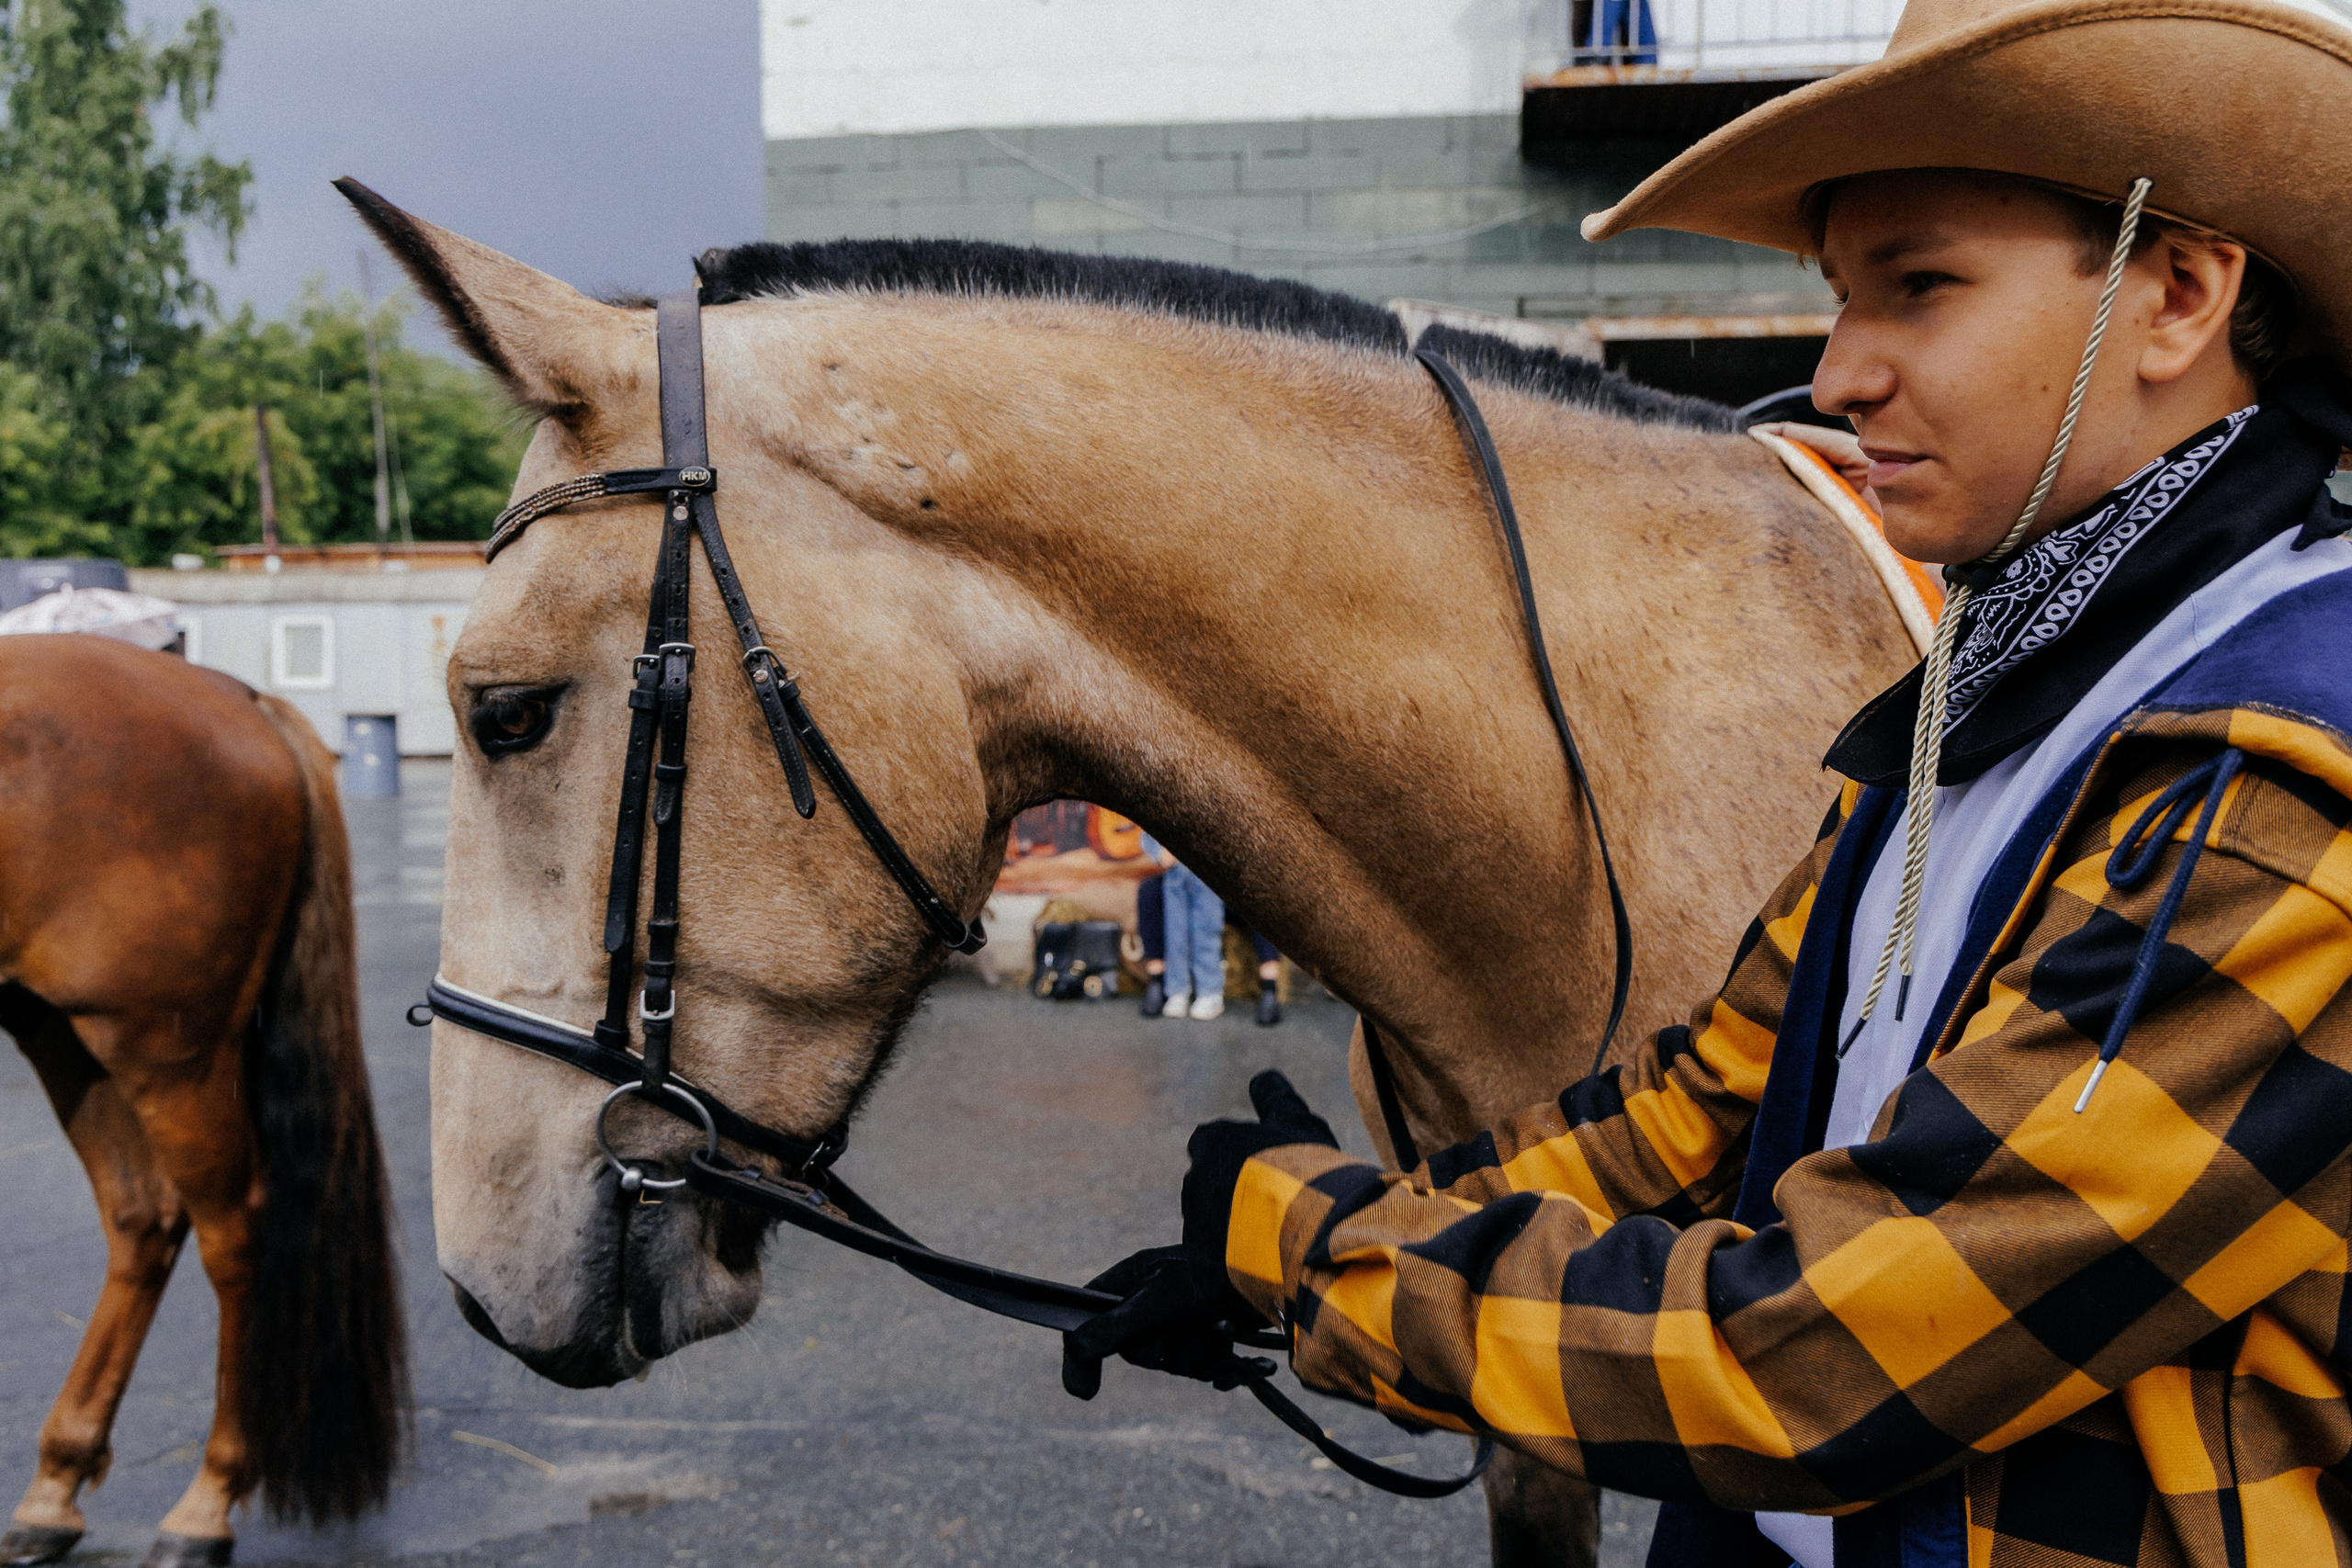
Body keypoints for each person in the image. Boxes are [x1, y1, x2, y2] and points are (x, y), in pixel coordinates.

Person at [1061, 4, 2352, 1563]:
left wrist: (1314, 1249)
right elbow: (1702, 1113)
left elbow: (1835, 1346)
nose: (1839, 371)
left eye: (1920, 286)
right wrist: (1324, 1238)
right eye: (1838, 298)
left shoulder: (2286, 784)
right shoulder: (1996, 686)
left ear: (2179, 297)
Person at [1139, 833, 1227, 1021]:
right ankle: (1177, 990)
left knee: (1205, 933)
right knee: (1175, 934)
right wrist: (1159, 853)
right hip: (1176, 876)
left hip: (1207, 875)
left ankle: (1210, 992)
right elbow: (1147, 832)